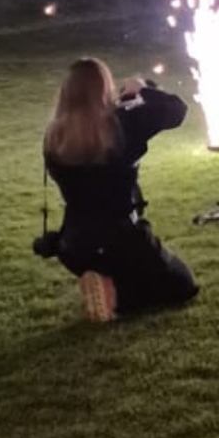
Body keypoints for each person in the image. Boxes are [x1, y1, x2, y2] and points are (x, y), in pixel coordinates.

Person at [40, 58, 198, 320]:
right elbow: (176, 110)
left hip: (74, 243)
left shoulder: (54, 136)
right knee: (181, 283)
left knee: (131, 274)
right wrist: (141, 90)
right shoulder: (122, 124)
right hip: (122, 238)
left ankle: (103, 277)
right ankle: (119, 295)